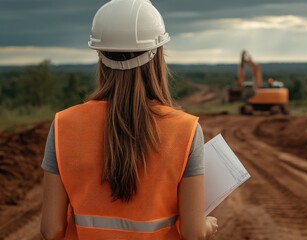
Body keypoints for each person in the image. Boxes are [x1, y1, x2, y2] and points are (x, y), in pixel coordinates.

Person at [39, 0, 218, 239]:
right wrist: (207, 224)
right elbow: (193, 233)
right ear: (157, 56)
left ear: (100, 56)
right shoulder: (185, 130)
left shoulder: (64, 125)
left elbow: (51, 230)